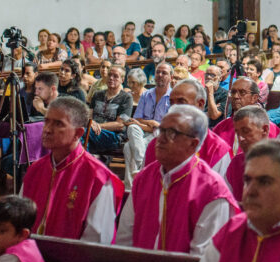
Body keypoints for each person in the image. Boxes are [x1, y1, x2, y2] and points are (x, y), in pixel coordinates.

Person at [115, 105, 238, 259]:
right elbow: (124, 238)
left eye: (172, 133)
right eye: (161, 130)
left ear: (193, 144)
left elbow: (201, 260)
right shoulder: (145, 177)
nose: (161, 138)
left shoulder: (211, 190)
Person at [21, 97, 123, 241]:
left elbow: (97, 240)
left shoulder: (98, 177)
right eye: (46, 121)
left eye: (58, 124)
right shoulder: (35, 170)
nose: (47, 129)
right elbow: (19, 221)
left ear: (78, 133)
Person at [143, 78, 231, 176]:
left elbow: (219, 189)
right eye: (171, 103)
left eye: (181, 102)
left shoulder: (216, 149)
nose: (174, 108)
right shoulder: (156, 144)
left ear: (200, 104)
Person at [122, 61, 173, 191]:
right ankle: (141, 167)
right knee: (132, 128)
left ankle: (131, 187)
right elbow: (138, 118)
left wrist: (153, 125)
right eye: (158, 72)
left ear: (171, 77)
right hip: (143, 131)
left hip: (161, 135)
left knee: (128, 147)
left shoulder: (173, 97)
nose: (160, 75)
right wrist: (151, 124)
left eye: (164, 73)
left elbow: (168, 125)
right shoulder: (146, 94)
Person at [223, 105, 271, 200]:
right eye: (237, 133)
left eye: (246, 131)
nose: (240, 138)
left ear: (264, 130)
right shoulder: (235, 164)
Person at [85, 65, 132, 155]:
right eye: (109, 75)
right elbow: (89, 115)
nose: (111, 78)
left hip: (113, 136)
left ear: (122, 80)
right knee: (80, 134)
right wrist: (90, 123)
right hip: (92, 133)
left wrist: (96, 126)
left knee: (82, 133)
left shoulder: (126, 98)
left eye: (115, 76)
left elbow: (120, 124)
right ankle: (92, 161)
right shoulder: (97, 94)